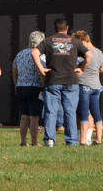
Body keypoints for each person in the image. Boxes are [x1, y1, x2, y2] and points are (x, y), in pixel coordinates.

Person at [32, 18, 82, 147]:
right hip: (71, 81)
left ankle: (49, 139)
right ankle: (71, 141)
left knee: (51, 111)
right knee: (70, 111)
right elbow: (90, 56)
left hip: (52, 80)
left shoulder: (48, 41)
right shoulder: (75, 41)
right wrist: (82, 69)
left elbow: (34, 52)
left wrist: (41, 68)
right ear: (67, 28)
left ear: (55, 29)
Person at [12, 31, 45, 146]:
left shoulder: (20, 54)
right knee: (34, 117)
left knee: (24, 116)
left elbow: (14, 71)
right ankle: (35, 142)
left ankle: (23, 141)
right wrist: (44, 85)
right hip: (35, 87)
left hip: (21, 87)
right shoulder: (40, 55)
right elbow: (42, 72)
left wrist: (16, 85)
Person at [76, 31, 103, 146]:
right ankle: (98, 140)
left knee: (84, 114)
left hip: (84, 85)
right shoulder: (99, 52)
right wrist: (94, 70)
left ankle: (82, 141)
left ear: (83, 41)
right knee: (96, 114)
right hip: (96, 86)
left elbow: (75, 66)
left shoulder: (84, 54)